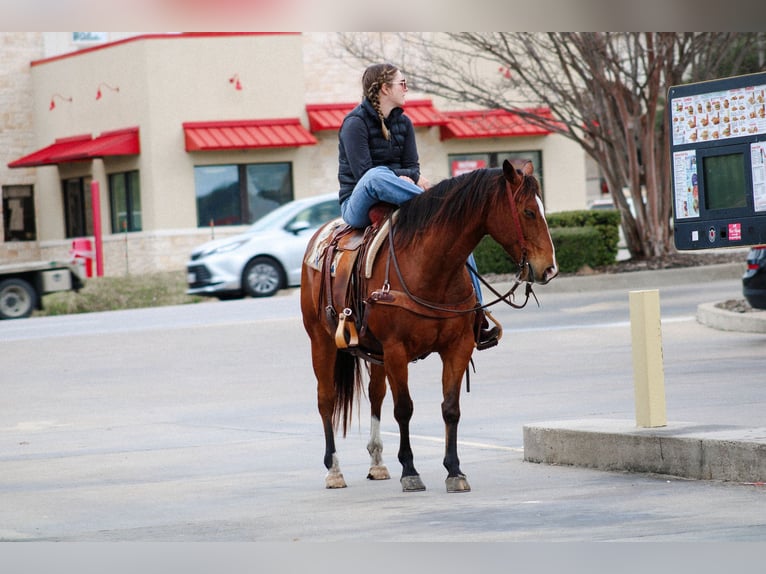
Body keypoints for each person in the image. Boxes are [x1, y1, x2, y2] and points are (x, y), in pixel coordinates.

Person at [337, 63, 500, 350]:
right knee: (377, 176)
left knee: (455, 232)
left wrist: (407, 176)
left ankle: (478, 314)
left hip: (400, 197)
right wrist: (406, 177)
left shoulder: (405, 123)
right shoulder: (354, 124)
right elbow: (365, 173)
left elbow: (413, 167)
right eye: (402, 83)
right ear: (385, 89)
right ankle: (436, 206)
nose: (406, 87)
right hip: (358, 202)